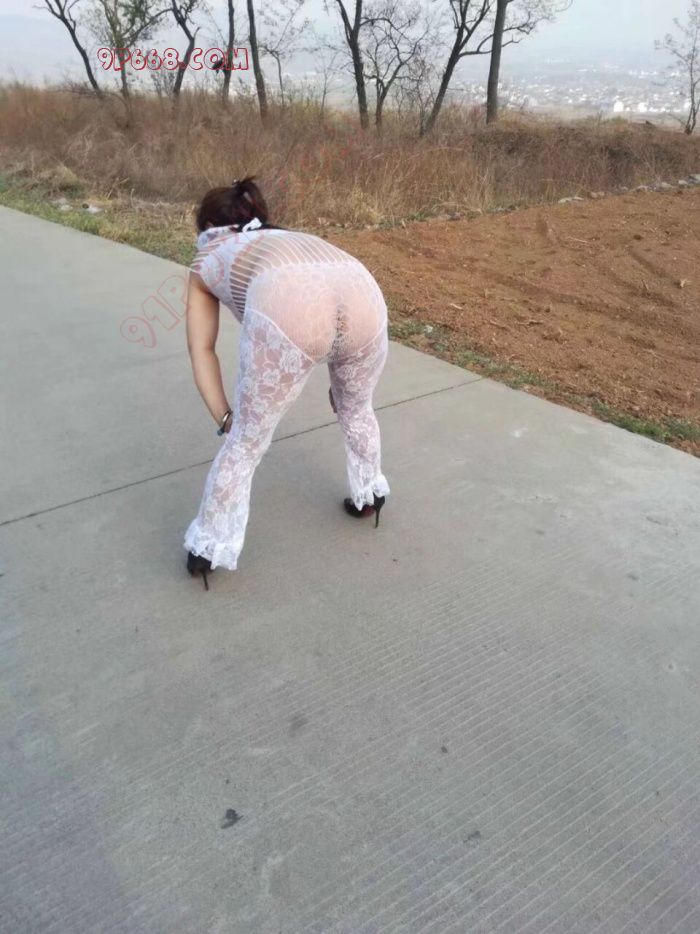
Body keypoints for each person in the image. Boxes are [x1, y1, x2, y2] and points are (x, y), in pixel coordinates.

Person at [184, 177, 390, 588]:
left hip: (290, 300)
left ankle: (208, 546)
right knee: (356, 408)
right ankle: (370, 494)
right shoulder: (287, 237)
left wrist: (226, 417)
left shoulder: (208, 257)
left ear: (208, 226)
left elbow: (202, 349)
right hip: (362, 290)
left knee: (245, 444)